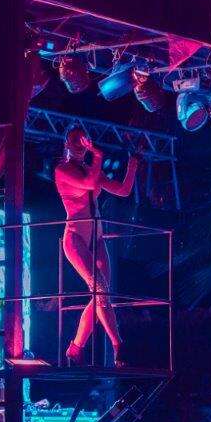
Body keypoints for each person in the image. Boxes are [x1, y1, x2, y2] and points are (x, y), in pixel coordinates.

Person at [54, 126, 139, 367]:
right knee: (100, 291)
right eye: (76, 142)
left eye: (82, 141)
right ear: (67, 145)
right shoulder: (62, 170)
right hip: (76, 239)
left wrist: (132, 164)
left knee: (102, 295)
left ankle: (75, 348)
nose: (80, 146)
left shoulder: (90, 169)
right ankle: (118, 345)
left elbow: (123, 190)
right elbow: (90, 183)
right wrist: (98, 155)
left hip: (97, 238)